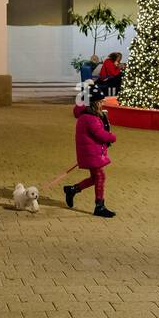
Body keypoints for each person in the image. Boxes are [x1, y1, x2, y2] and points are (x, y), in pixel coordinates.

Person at [65, 85, 117, 218]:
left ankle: (72, 190)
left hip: (91, 152)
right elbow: (100, 134)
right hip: (91, 153)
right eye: (100, 102)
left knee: (96, 177)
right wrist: (112, 137)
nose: (102, 104)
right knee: (100, 177)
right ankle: (99, 206)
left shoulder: (87, 115)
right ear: (94, 103)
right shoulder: (90, 118)